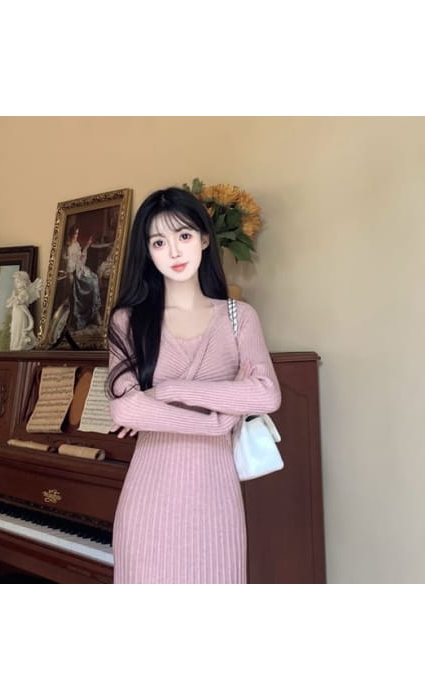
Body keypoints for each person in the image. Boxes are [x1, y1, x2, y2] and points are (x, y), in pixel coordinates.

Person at [106, 187, 281, 584]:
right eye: (158, 242)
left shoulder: (238, 317)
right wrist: (214, 422)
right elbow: (126, 408)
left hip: (216, 498)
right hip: (148, 498)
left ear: (204, 238)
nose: (173, 251)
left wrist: (166, 391)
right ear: (147, 252)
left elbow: (266, 393)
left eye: (183, 235)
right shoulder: (128, 320)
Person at [66, 225, 101, 330]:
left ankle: (94, 313)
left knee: (94, 278)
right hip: (75, 273)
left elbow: (81, 258)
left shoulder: (76, 244)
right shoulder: (69, 246)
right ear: (71, 234)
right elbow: (70, 264)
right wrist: (78, 268)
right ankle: (86, 316)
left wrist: (87, 245)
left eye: (77, 233)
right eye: (75, 233)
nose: (76, 236)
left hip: (80, 269)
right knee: (92, 282)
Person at [6, 270, 42, 350]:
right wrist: (13, 298)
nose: (16, 284)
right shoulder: (17, 293)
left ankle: (19, 344)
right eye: (15, 282)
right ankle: (14, 345)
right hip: (16, 314)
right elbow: (9, 304)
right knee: (14, 328)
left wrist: (15, 298)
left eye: (18, 281)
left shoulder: (24, 292)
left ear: (24, 281)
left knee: (19, 328)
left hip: (21, 314)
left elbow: (20, 301)